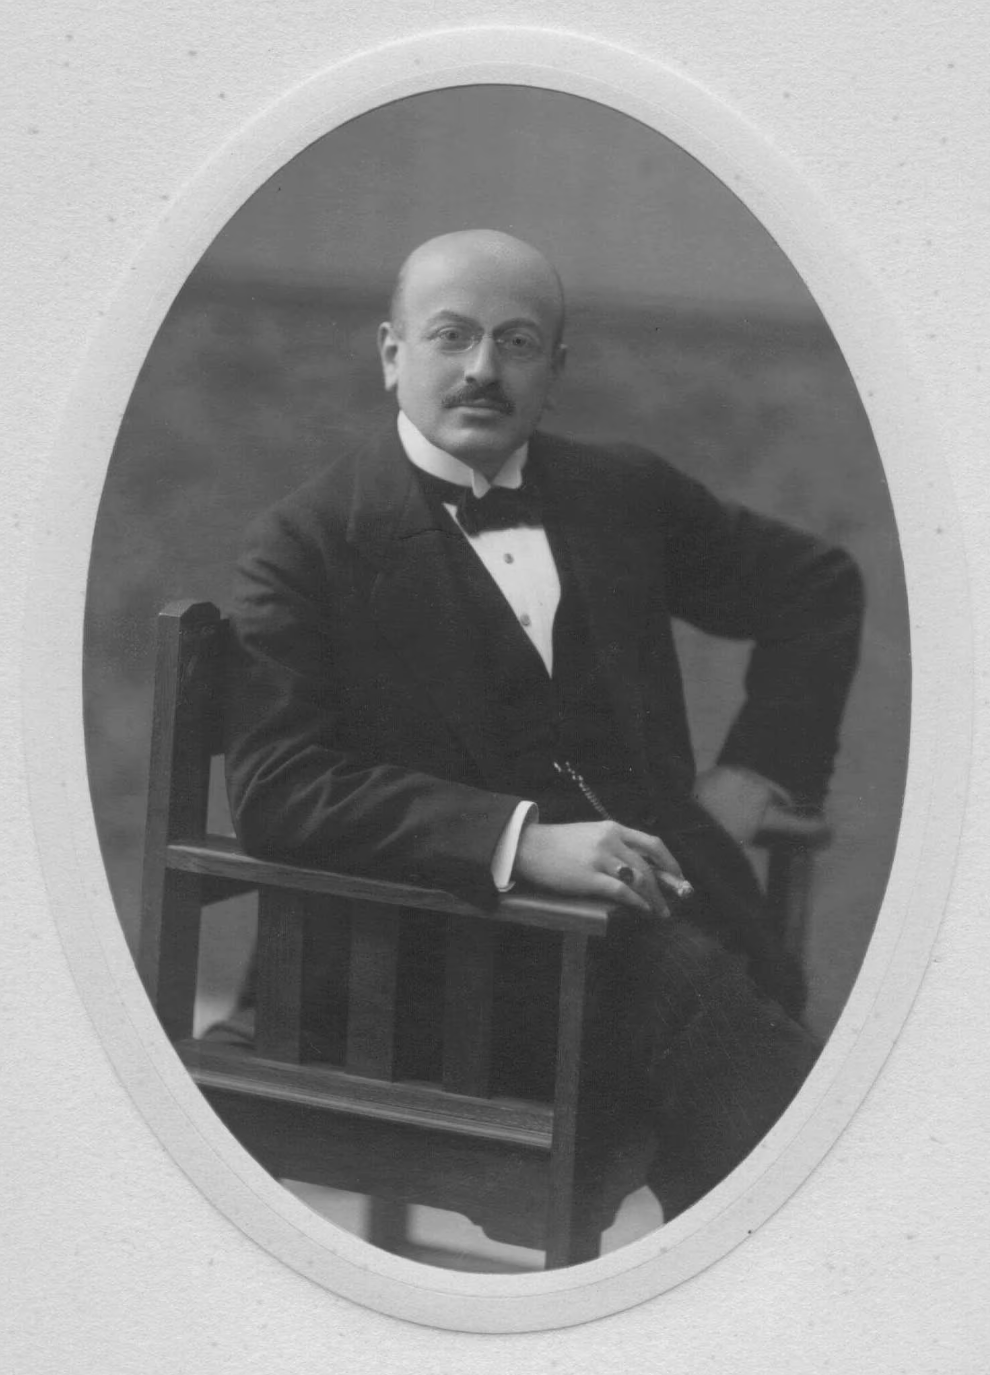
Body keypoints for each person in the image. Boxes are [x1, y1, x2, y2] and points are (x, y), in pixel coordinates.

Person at [223, 229, 864, 1225]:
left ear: (554, 370)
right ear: (392, 353)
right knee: (723, 1034)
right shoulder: (308, 544)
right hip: (416, 966)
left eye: (517, 342)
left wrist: (756, 774)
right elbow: (279, 788)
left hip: (644, 945)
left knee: (709, 1003)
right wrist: (521, 841)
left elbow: (816, 587)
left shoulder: (622, 495)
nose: (484, 368)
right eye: (452, 335)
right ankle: (819, 1238)